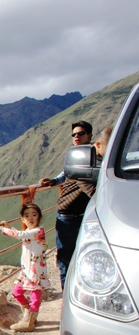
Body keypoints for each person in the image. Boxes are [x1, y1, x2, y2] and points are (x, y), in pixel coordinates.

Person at [38, 121, 98, 289]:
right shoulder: (74, 155)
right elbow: (66, 173)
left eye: (80, 133)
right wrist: (53, 181)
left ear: (90, 135)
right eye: (74, 134)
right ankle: (67, 296)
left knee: (87, 256)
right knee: (65, 258)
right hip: (68, 213)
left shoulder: (95, 156)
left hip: (86, 213)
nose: (76, 137)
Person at [0, 203, 51, 332]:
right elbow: (21, 235)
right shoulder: (29, 232)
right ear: (22, 219)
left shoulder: (37, 231)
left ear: (39, 217)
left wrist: (2, 228)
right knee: (16, 292)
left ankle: (29, 321)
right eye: (27, 215)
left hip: (36, 270)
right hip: (26, 270)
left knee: (35, 294)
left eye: (34, 215)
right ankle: (28, 316)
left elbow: (19, 235)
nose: (30, 218)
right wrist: (9, 227)